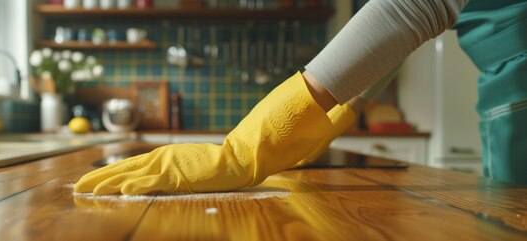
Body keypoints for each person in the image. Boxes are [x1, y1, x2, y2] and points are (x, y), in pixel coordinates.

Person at [75, 0, 527, 195]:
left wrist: (244, 150)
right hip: (509, 82)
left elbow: (413, 8)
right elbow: (407, 32)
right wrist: (337, 111)